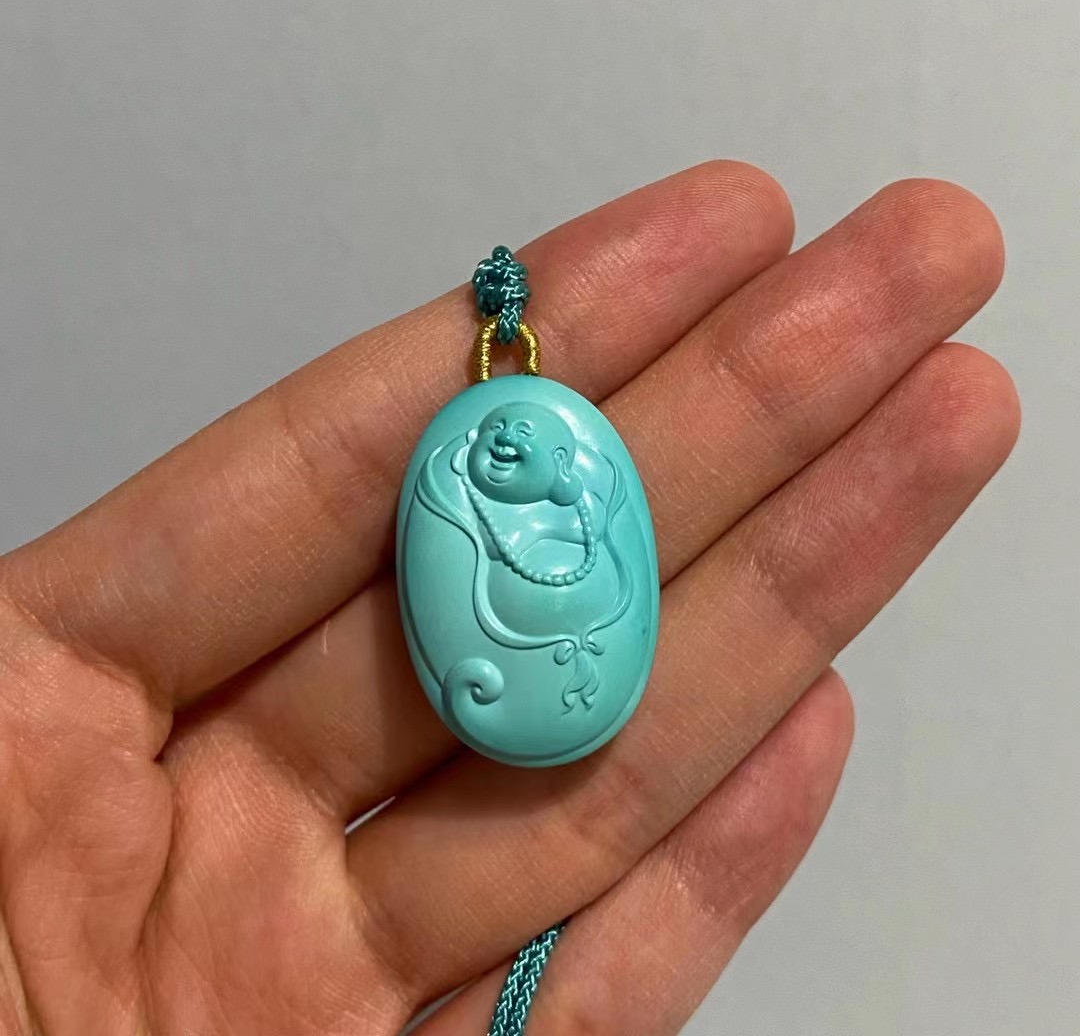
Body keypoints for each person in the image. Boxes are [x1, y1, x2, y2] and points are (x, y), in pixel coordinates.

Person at [0, 161, 1018, 1034]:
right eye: (499, 444)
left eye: (521, 443)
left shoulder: (570, 485)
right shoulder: (466, 499)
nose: (506, 445)